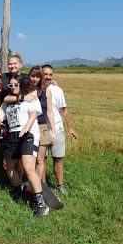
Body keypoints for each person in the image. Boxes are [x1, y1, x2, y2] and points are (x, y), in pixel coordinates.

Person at [0, 77, 49, 216]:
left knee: (28, 168)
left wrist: (26, 128)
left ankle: (41, 203)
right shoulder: (7, 102)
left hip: (28, 135)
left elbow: (34, 115)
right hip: (12, 135)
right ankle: (17, 190)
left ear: (21, 85)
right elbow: (0, 118)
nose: (13, 86)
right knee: (7, 166)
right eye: (11, 84)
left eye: (16, 84)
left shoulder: (31, 98)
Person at [42, 64, 79, 194]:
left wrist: (70, 128)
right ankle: (43, 183)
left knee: (58, 158)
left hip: (57, 128)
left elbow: (64, 110)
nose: (47, 77)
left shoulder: (58, 90)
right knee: (42, 159)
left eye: (50, 75)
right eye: (45, 74)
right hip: (41, 129)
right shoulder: (34, 88)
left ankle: (60, 185)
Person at [24, 66, 57, 182]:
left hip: (42, 127)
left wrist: (53, 131)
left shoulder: (46, 91)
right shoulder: (24, 90)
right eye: (33, 76)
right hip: (28, 127)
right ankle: (30, 183)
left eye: (38, 77)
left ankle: (39, 186)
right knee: (29, 158)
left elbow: (49, 112)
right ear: (29, 76)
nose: (35, 79)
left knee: (40, 159)